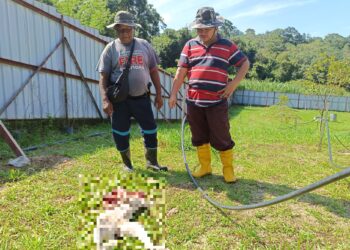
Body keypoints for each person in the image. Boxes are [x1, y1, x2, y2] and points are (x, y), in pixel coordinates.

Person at [168, 7, 250, 183]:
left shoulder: (227, 45)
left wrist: (233, 84)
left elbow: (244, 64)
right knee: (198, 135)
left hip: (216, 101)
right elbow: (181, 71)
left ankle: (228, 169)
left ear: (216, 27)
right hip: (194, 101)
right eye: (199, 29)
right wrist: (173, 94)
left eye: (206, 28)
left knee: (222, 136)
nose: (202, 32)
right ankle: (205, 167)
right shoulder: (189, 45)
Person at [97, 11, 167, 172]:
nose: (125, 33)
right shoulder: (110, 49)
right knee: (120, 132)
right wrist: (105, 100)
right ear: (116, 30)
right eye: (121, 30)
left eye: (128, 29)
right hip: (119, 101)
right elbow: (103, 77)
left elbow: (154, 71)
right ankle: (127, 164)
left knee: (150, 129)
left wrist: (159, 94)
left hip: (141, 97)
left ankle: (152, 162)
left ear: (134, 29)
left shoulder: (144, 45)